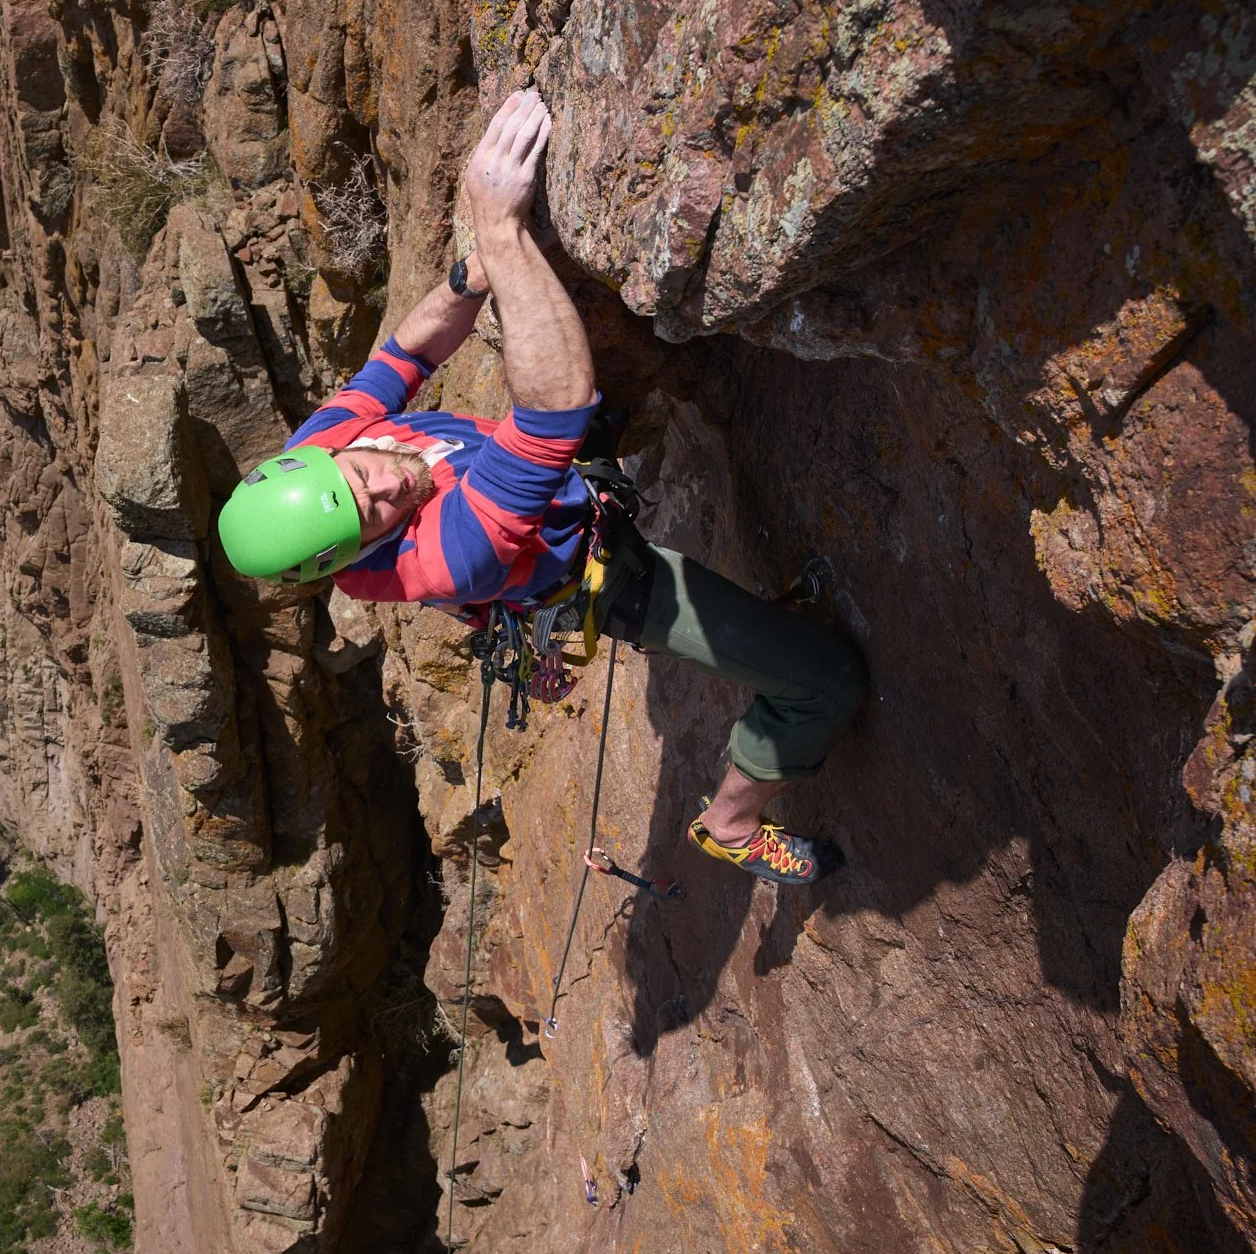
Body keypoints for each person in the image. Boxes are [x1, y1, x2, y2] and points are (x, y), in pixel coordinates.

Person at [213, 88, 866, 885]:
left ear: (314, 457)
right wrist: (498, 225)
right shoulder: (447, 560)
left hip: (572, 497)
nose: (384, 482)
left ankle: (759, 628)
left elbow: (405, 356)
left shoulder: (322, 450)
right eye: (373, 515)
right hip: (602, 575)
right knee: (823, 680)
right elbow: (555, 409)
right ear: (355, 557)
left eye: (360, 473)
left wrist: (475, 273)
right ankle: (728, 823)